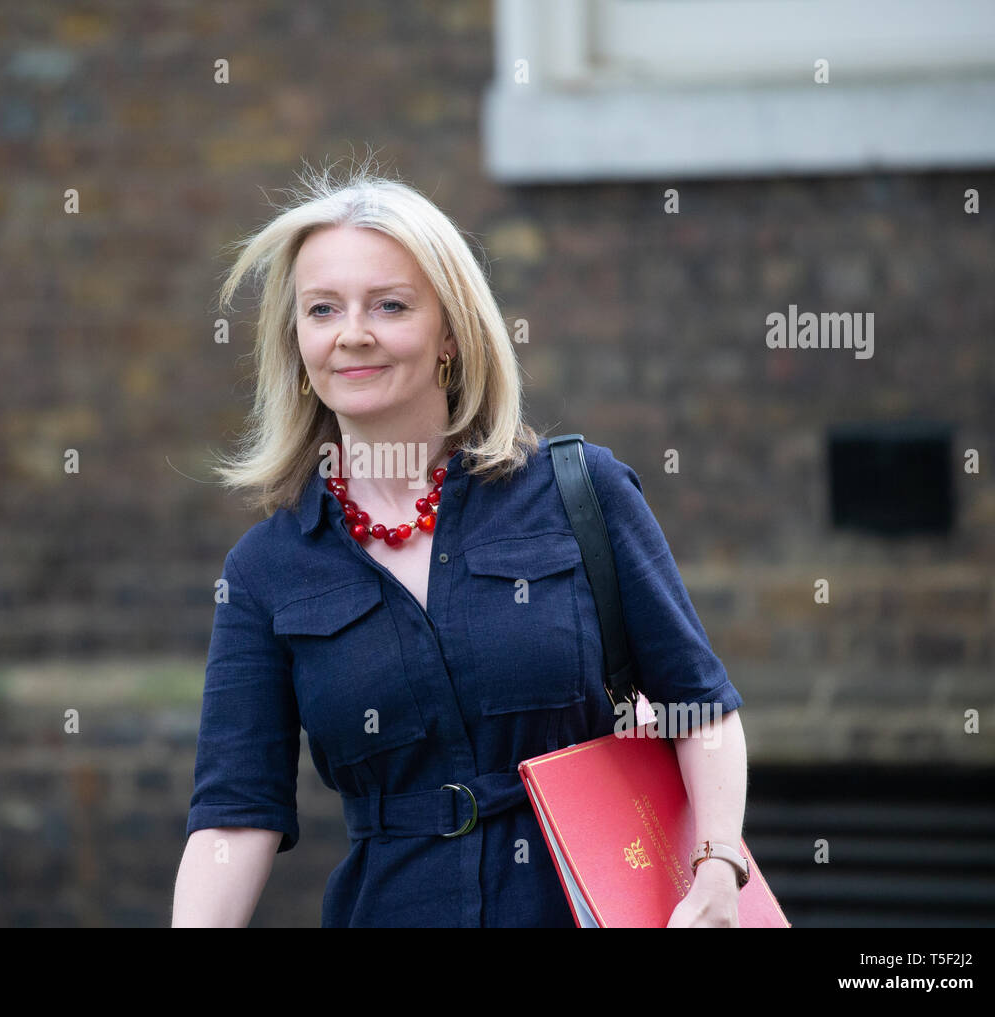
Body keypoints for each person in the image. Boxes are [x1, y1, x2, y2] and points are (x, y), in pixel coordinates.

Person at [171, 161, 748, 928]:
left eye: (390, 304)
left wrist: (717, 865)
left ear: (449, 332)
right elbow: (235, 815)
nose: (353, 333)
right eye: (322, 309)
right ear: (298, 342)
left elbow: (699, 708)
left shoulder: (580, 491)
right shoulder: (265, 571)